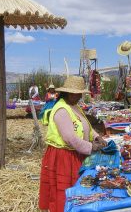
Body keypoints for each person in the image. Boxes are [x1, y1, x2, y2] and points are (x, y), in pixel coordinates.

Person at [39, 76, 107, 212]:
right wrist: (91, 147)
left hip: (76, 152)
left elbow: (86, 125)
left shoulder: (74, 106)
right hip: (63, 156)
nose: (79, 96)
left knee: (78, 188)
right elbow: (69, 138)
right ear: (67, 93)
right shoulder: (61, 110)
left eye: (80, 94)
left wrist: (97, 136)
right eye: (76, 94)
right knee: (66, 190)